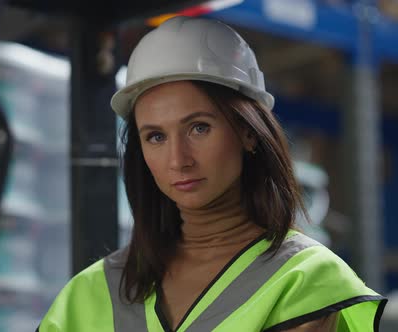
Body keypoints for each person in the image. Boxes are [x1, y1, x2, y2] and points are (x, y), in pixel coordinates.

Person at [37, 16, 386, 331]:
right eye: (155, 136)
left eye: (199, 128)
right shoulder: (92, 291)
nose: (178, 159)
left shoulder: (304, 282)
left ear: (248, 132)